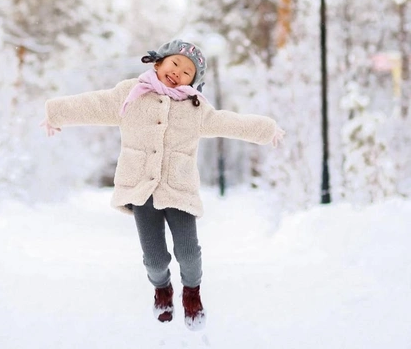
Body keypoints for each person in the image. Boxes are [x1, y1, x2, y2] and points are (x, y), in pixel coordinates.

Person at [43, 39, 284, 331]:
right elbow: (92, 105)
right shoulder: (130, 96)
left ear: (194, 82)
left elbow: (228, 122)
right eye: (174, 64)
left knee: (189, 253)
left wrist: (266, 129)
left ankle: (192, 292)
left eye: (187, 72)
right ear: (158, 63)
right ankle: (162, 288)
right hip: (141, 189)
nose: (178, 73)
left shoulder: (196, 109)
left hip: (178, 189)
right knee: (155, 260)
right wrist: (55, 113)